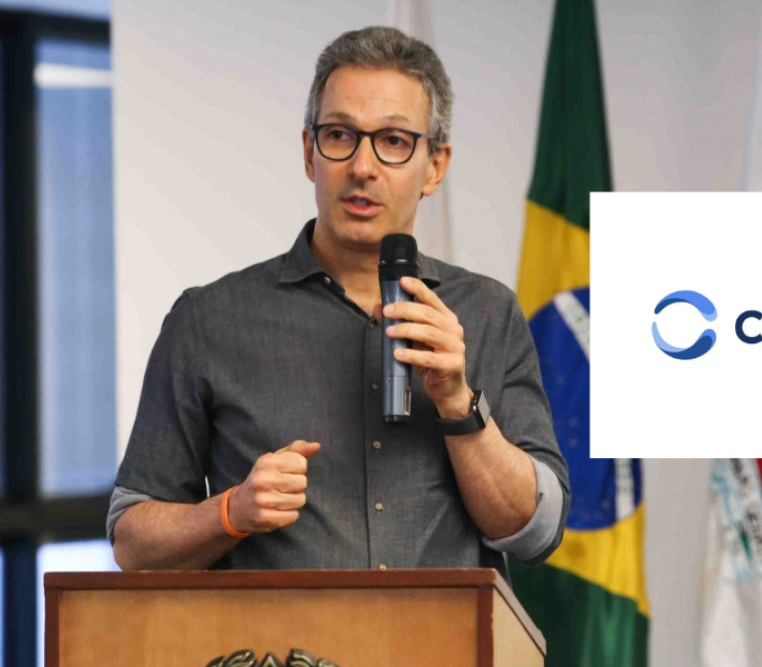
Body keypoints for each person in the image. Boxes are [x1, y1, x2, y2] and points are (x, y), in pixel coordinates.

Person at [108, 27, 570, 577]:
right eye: (339, 135)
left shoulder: (489, 312)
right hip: (278, 637)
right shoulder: (208, 320)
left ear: (435, 166)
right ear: (310, 153)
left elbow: (539, 531)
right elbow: (133, 545)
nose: (362, 167)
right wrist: (229, 513)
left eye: (393, 141)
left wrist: (457, 402)